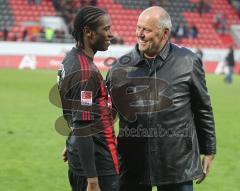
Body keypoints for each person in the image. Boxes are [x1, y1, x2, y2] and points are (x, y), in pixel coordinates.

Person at [106, 6, 216, 191]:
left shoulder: (188, 62)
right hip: (133, 163)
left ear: (165, 33)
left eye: (146, 30)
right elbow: (106, 113)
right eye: (138, 27)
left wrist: (209, 150)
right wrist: (78, 139)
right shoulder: (119, 68)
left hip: (177, 163)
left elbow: (203, 108)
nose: (139, 34)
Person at [57, 6, 119, 191]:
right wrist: (92, 180)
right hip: (99, 166)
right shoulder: (85, 72)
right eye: (106, 29)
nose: (111, 34)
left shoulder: (70, 59)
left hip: (82, 159)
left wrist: (74, 141)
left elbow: (76, 115)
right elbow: (84, 127)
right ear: (88, 32)